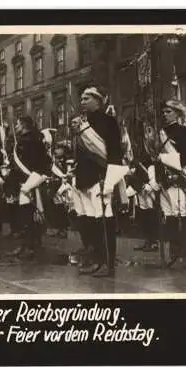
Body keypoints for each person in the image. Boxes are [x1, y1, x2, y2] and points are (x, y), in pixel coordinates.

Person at [74, 86, 124, 278]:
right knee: (92, 223)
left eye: (87, 98)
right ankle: (96, 259)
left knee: (105, 222)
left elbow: (114, 153)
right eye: (82, 98)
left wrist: (110, 179)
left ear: (98, 100)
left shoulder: (108, 122)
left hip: (101, 177)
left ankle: (108, 264)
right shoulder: (82, 124)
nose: (82, 101)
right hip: (85, 177)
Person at [156, 99, 186, 270]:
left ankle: (182, 255)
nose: (165, 115)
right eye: (164, 112)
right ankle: (172, 253)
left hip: (179, 178)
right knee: (169, 217)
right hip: (164, 180)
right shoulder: (161, 132)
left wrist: (163, 158)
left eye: (169, 112)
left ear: (178, 113)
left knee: (181, 216)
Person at [10, 116, 51, 257]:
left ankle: (29, 246)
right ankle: (28, 244)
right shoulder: (30, 140)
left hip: (33, 177)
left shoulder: (30, 141)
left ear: (23, 125)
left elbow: (36, 162)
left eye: (17, 124)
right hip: (29, 177)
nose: (15, 127)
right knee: (27, 213)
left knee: (28, 213)